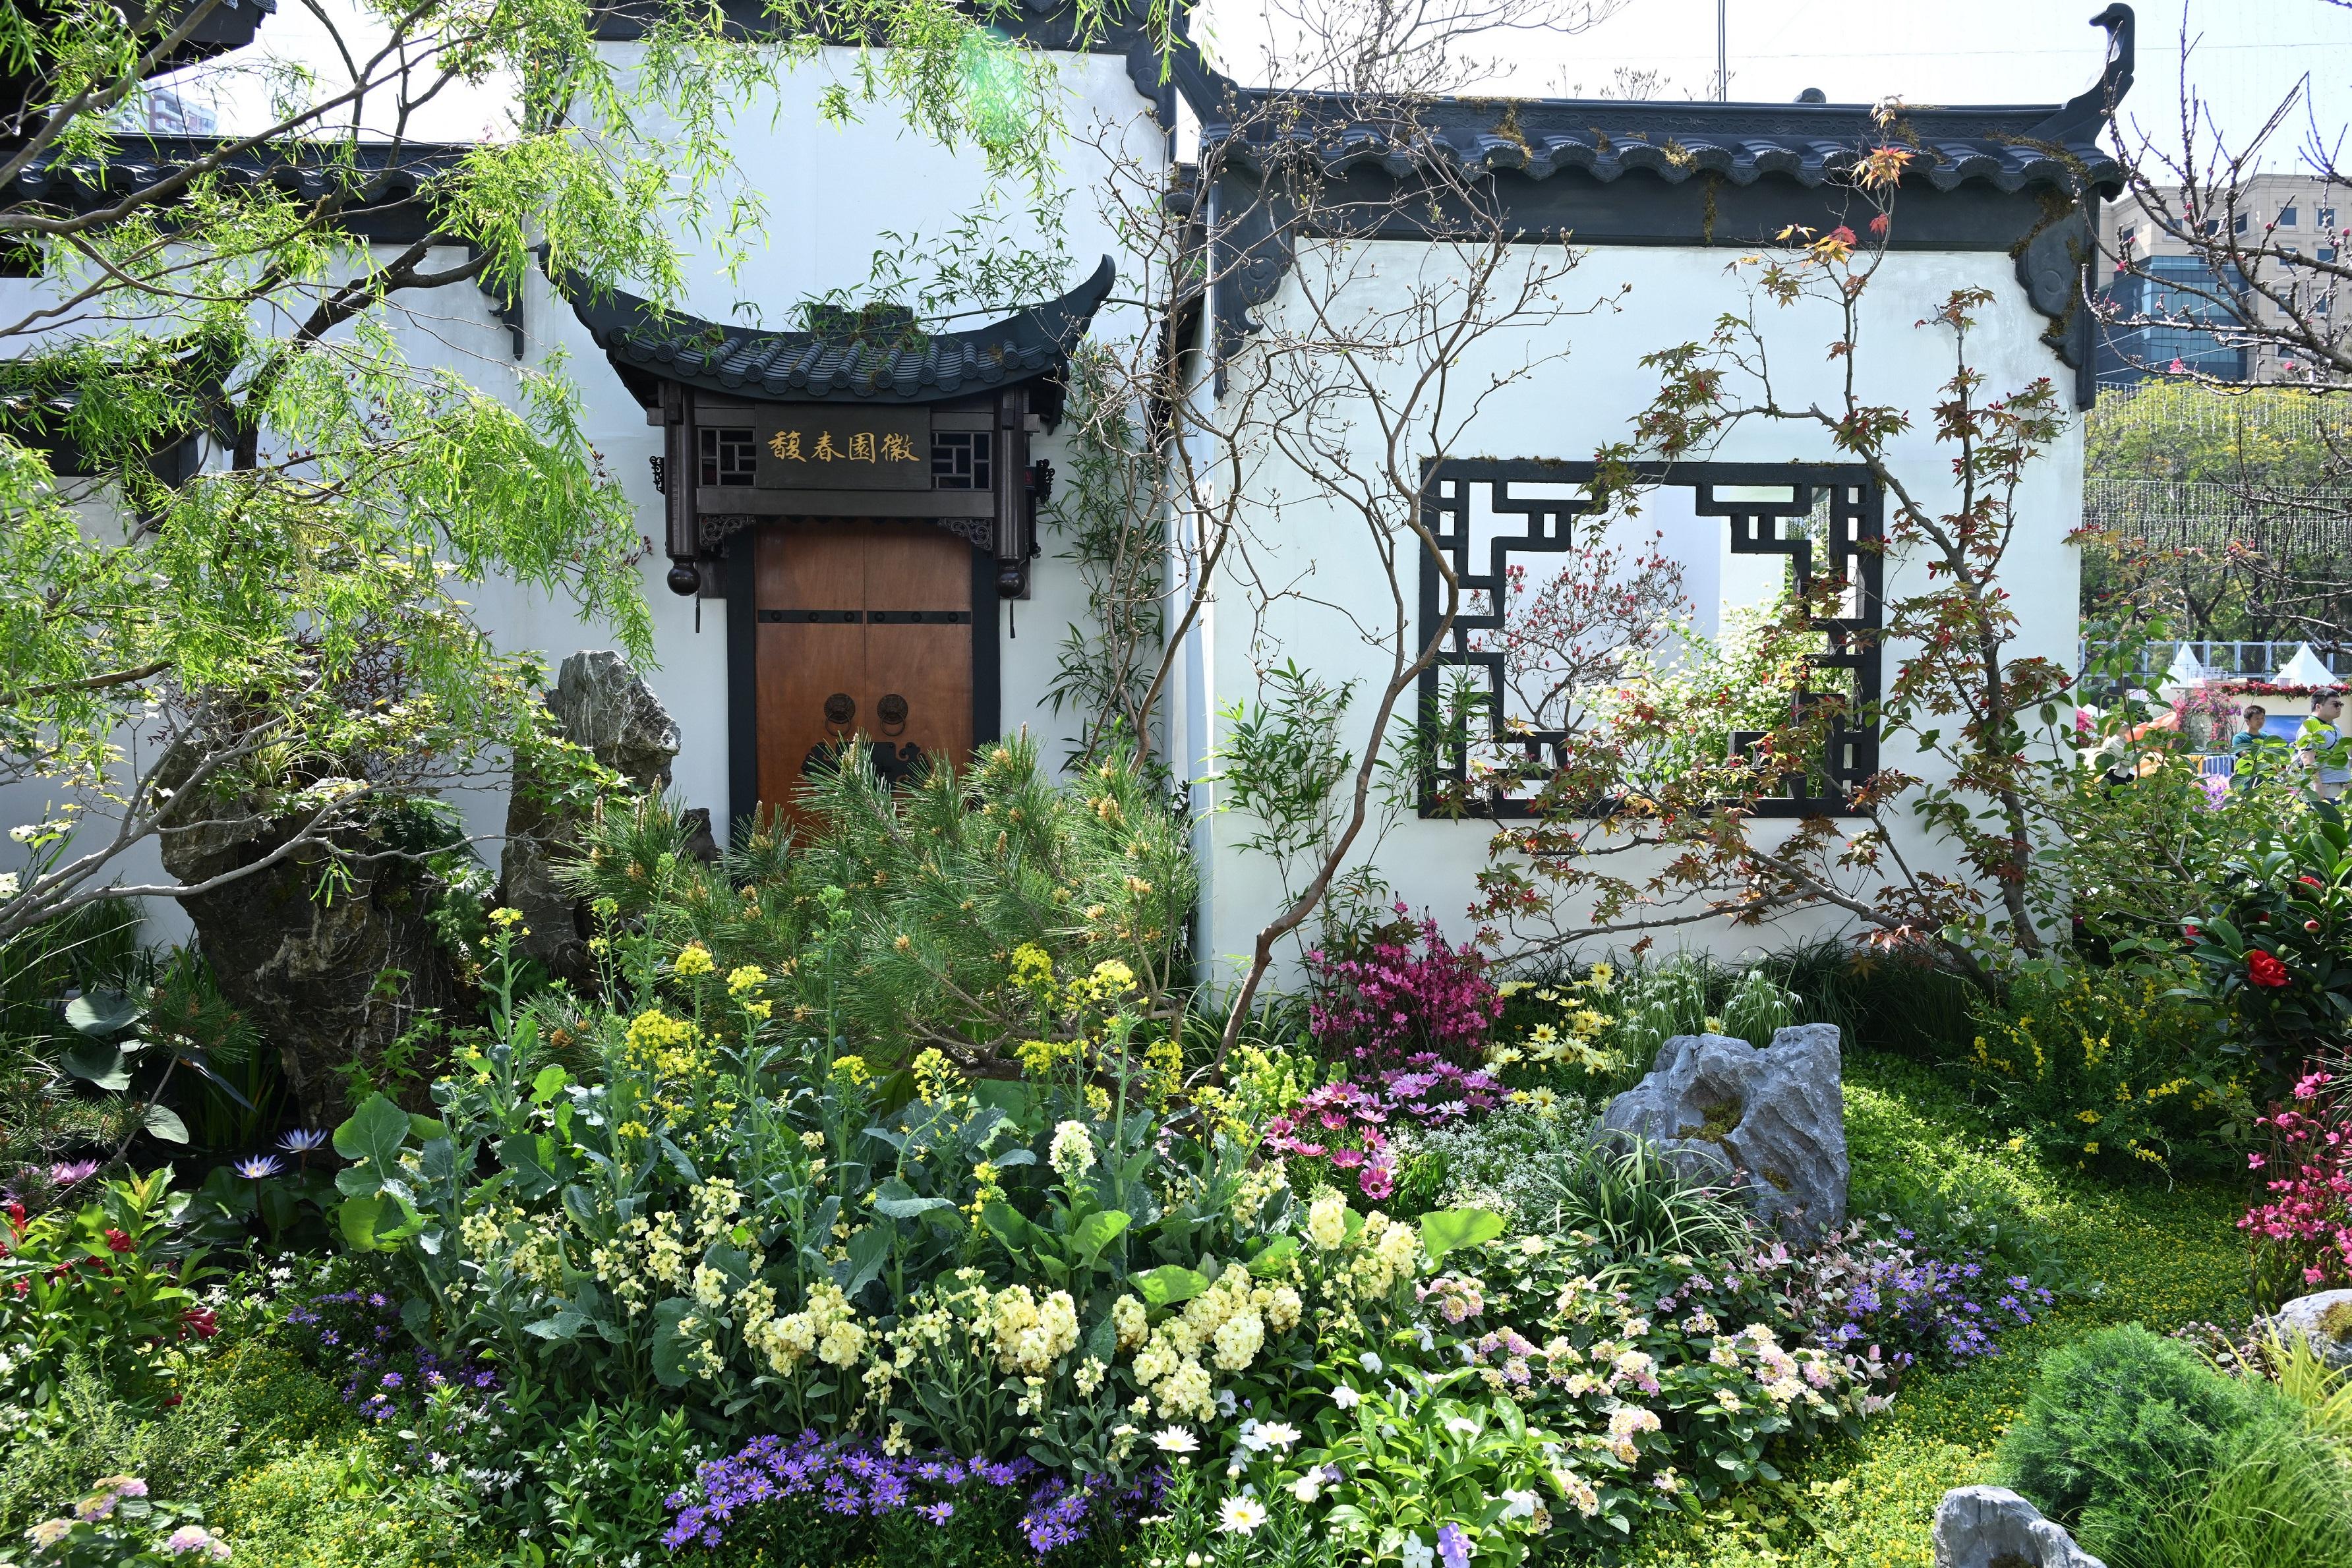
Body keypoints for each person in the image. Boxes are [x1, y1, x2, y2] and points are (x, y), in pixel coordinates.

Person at [2297, 690, 2349, 801]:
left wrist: (2347, 782)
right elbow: (2308, 759)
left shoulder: (2335, 727)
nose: (2339, 707)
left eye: (2341, 704)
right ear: (2319, 706)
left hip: (2338, 787)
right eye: (2335, 704)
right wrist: (2317, 787)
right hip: (2324, 787)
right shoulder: (2310, 727)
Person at [2231, 703, 2278, 790]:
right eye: (2257, 719)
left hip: (2267, 783)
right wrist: (2267, 756)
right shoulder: (2239, 738)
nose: (2260, 721)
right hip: (2248, 782)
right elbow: (2247, 756)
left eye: (2262, 718)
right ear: (2247, 721)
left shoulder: (2266, 737)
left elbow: (2274, 756)